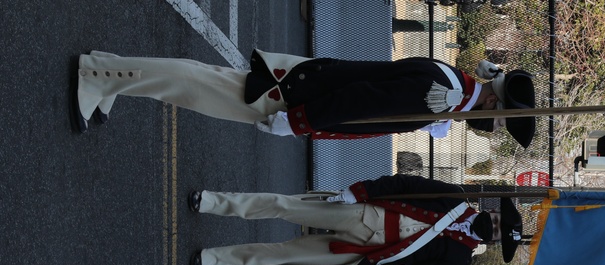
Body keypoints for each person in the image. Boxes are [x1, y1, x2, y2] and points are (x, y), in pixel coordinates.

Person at [73, 50, 536, 147]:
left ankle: (110, 73)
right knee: (195, 87)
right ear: (494, 105)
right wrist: (300, 121)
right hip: (296, 95)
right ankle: (99, 74)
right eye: (499, 122)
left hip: (304, 88)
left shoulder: (450, 83)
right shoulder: (446, 96)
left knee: (198, 83)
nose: (492, 127)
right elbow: (361, 104)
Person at [189, 174, 523, 265]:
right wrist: (359, 191)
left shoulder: (459, 260)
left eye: (494, 232)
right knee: (285, 206)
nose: (490, 227)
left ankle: (217, 259)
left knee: (284, 255)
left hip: (363, 254)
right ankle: (214, 202)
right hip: (365, 213)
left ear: (492, 241)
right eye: (495, 221)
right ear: (491, 212)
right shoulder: (456, 197)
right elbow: (405, 183)